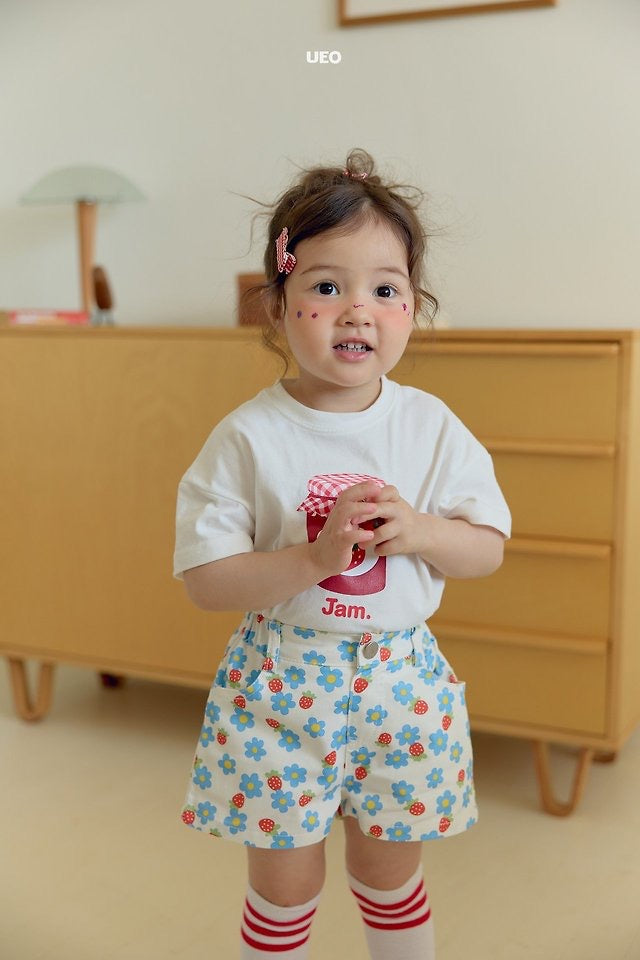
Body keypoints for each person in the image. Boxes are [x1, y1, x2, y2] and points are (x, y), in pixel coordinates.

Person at [173, 147, 511, 960]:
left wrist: (421, 531)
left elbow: (486, 550)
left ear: (413, 308)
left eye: (385, 290)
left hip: (403, 687)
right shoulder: (249, 436)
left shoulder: (430, 427)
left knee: (390, 877)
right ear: (279, 304)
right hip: (281, 690)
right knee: (284, 890)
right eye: (327, 287)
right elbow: (207, 581)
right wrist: (313, 561)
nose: (358, 310)